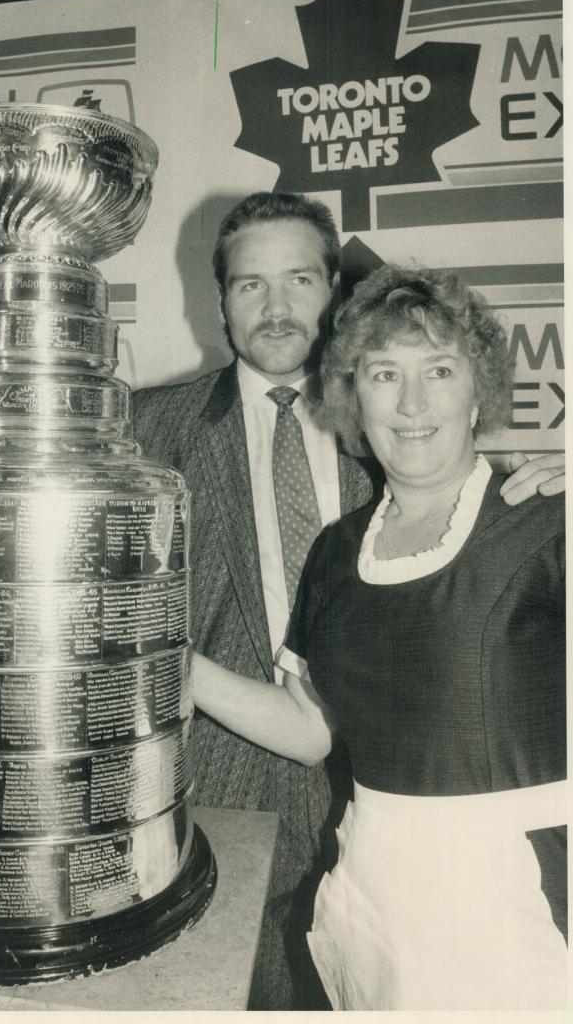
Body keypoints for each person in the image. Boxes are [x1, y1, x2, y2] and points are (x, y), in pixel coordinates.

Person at [131, 193, 564, 1009]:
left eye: (439, 372)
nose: (411, 402)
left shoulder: (532, 512)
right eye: (250, 284)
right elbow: (308, 723)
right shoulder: (332, 542)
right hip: (298, 857)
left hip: (512, 898)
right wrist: (159, 665)